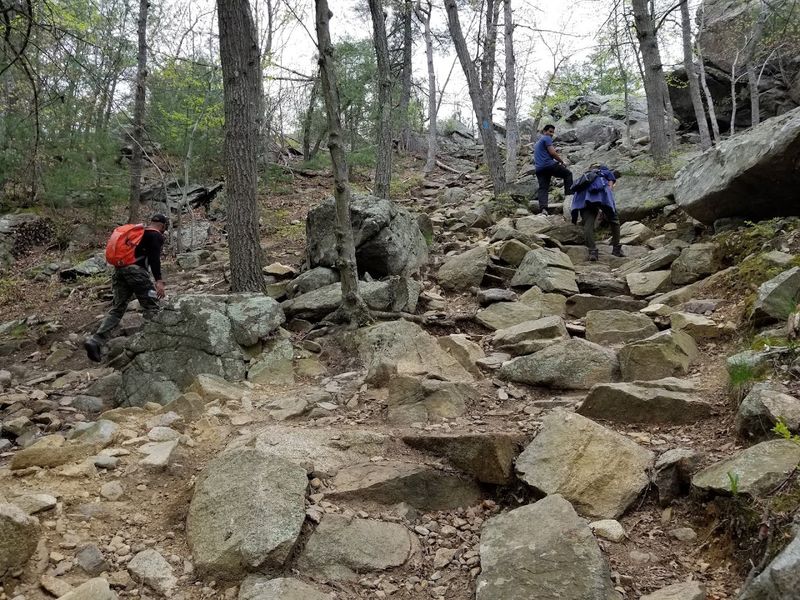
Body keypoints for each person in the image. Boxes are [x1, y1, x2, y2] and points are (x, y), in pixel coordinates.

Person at [84, 213, 168, 362]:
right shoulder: (156, 236)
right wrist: (159, 281)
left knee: (118, 309)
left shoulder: (138, 234)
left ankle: (95, 340)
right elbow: (154, 259)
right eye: (164, 227)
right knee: (151, 307)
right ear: (162, 225)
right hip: (137, 273)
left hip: (120, 271)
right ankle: (154, 343)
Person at [570, 164, 624, 262]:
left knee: (588, 224)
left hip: (583, 197)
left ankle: (592, 251)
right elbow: (610, 187)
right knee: (614, 220)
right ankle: (616, 249)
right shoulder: (606, 173)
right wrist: (606, 209)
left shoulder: (584, 178)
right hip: (601, 194)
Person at [533, 124, 573, 216]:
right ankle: (569, 198)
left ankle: (543, 209)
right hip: (549, 165)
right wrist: (561, 161)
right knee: (568, 174)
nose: (551, 134)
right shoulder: (546, 138)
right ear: (544, 131)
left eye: (552, 132)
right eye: (550, 131)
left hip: (539, 169)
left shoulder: (537, 143)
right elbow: (552, 153)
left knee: (543, 188)